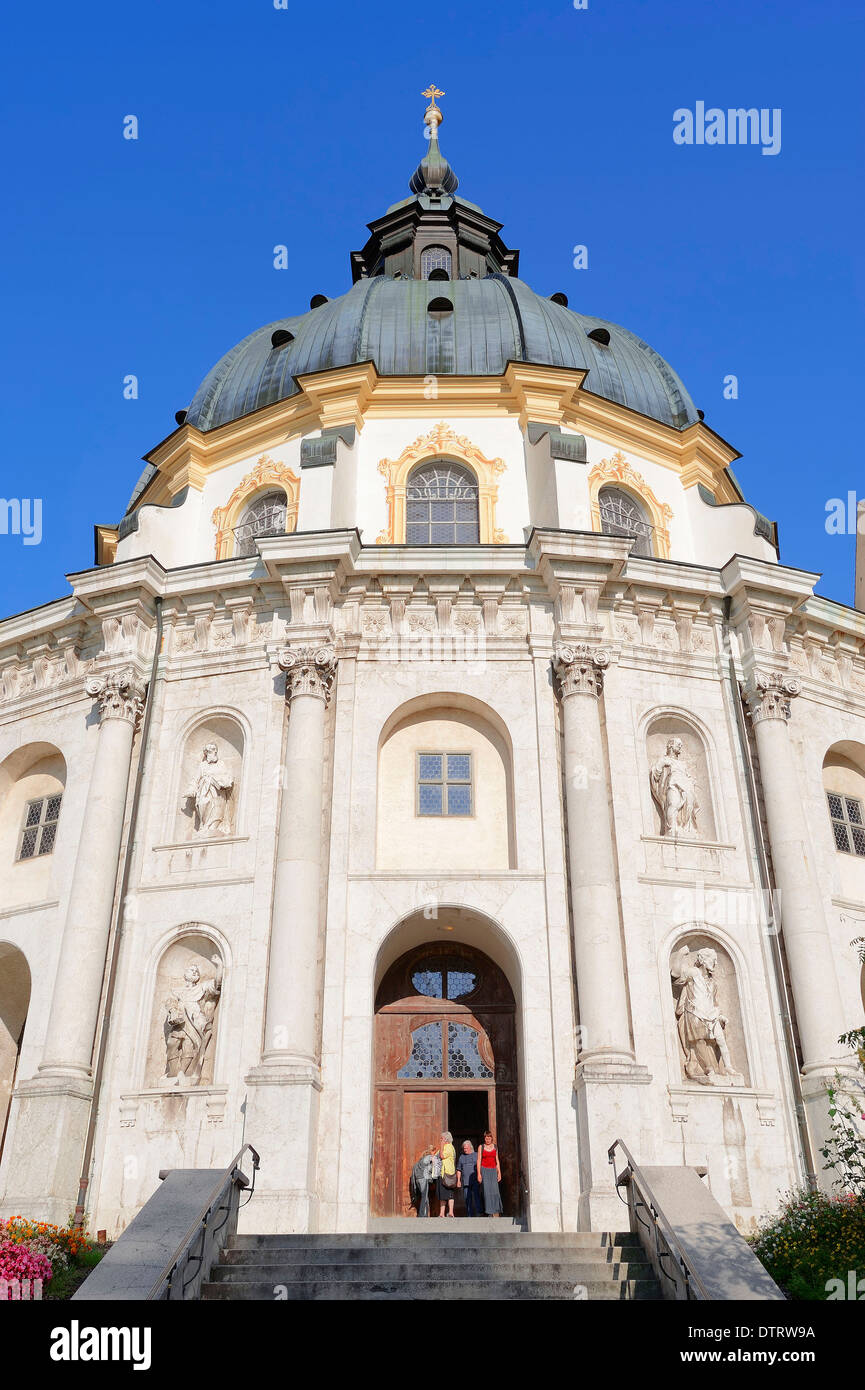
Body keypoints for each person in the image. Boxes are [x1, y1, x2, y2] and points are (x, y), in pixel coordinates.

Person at [477, 1130, 503, 1216]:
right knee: (487, 1192)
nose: (487, 1140)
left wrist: (499, 1172)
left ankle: (495, 1210)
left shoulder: (495, 1147)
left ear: (491, 1138)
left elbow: (497, 1160)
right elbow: (479, 1160)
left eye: (489, 1138)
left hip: (493, 1170)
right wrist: (479, 1174)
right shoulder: (481, 1147)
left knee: (495, 1191)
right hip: (484, 1170)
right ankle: (488, 1212)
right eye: (486, 1138)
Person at [410, 1144, 437, 1218]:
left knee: (424, 1197)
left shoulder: (419, 1161)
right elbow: (432, 1168)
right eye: (434, 1152)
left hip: (418, 1180)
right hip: (423, 1180)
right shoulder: (429, 1157)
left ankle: (425, 1215)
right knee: (424, 1197)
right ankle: (421, 1215)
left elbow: (414, 1173)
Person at [456, 1140, 481, 1216]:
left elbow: (480, 1167)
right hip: (466, 1182)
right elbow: (459, 1170)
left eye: (466, 1148)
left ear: (470, 1147)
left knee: (477, 1197)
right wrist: (458, 1181)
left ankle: (478, 1213)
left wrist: (480, 1176)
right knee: (467, 1199)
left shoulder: (476, 1155)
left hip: (475, 1181)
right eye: (464, 1148)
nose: (465, 1150)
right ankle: (469, 1214)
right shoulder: (461, 1157)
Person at [437, 1131, 457, 1217]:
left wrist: (441, 1145)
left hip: (447, 1173)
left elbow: (441, 1156)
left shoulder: (448, 1147)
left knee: (449, 1193)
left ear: (446, 1139)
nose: (440, 1140)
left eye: (441, 1138)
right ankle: (442, 1213)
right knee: (443, 1194)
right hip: (443, 1173)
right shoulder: (446, 1147)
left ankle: (451, 1212)